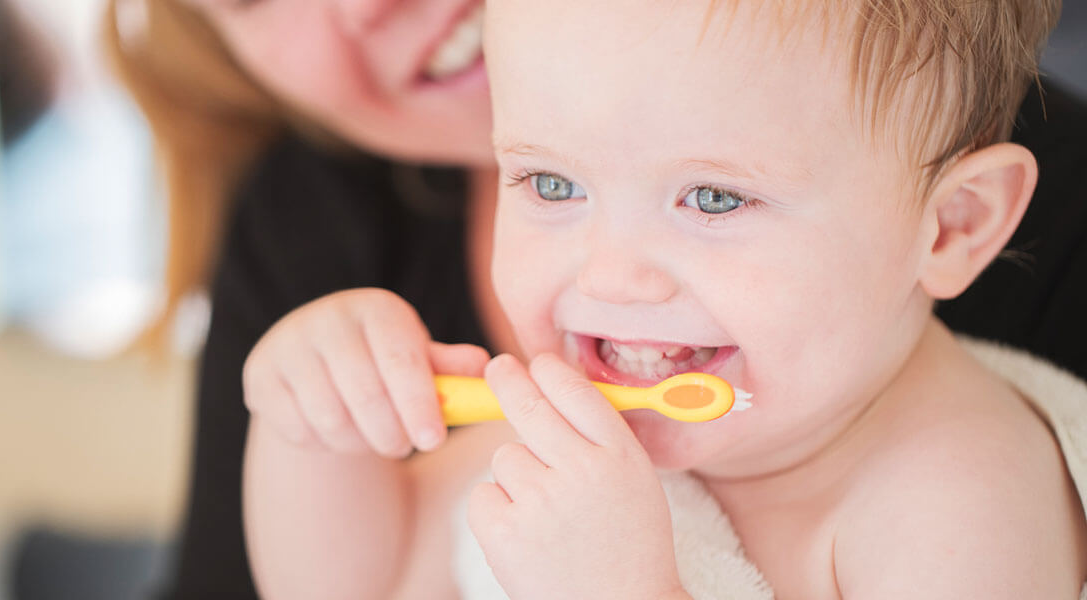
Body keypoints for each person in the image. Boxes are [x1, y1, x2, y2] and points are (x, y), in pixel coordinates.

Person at [101, 0, 1087, 597]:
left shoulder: (959, 499)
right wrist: (316, 427)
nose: (609, 278)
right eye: (552, 185)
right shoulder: (586, 428)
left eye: (713, 197)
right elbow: (362, 583)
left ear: (953, 227)